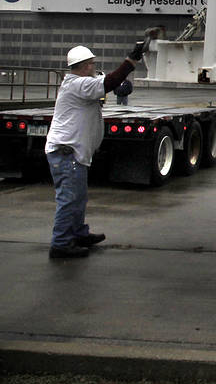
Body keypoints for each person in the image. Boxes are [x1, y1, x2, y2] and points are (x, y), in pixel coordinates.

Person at [44, 42, 143, 259]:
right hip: (66, 152)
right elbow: (110, 81)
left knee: (78, 197)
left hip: (72, 152)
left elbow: (111, 83)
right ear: (85, 66)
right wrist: (131, 60)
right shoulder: (78, 85)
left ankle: (78, 234)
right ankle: (60, 244)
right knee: (69, 198)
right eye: (92, 63)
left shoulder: (81, 83)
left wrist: (119, 85)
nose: (93, 66)